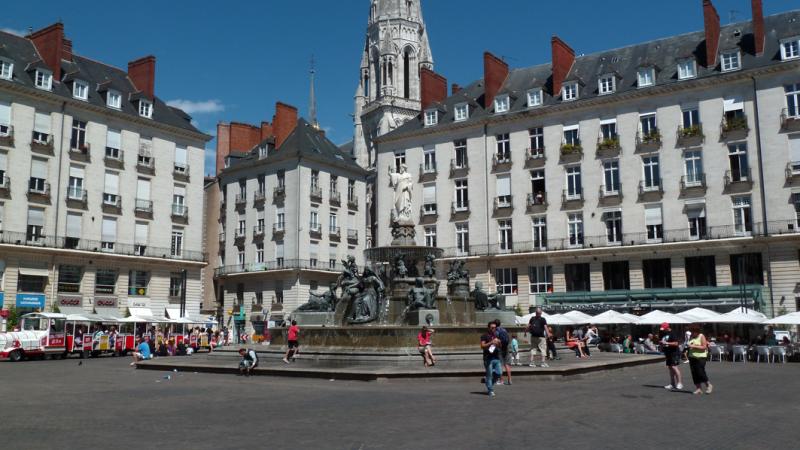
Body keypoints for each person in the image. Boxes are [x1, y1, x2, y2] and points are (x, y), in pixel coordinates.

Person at [687, 325, 713, 395]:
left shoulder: (701, 336)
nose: (692, 333)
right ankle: (698, 389)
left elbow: (704, 347)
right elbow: (690, 344)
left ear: (697, 331)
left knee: (700, 371)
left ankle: (708, 385)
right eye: (691, 331)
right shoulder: (691, 336)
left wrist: (693, 346)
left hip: (701, 357)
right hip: (692, 356)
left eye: (693, 331)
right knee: (694, 373)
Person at [480, 321, 503, 397]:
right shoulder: (484, 336)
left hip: (496, 357)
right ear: (488, 328)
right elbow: (482, 346)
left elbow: (500, 346)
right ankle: (490, 390)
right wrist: (491, 342)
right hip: (488, 358)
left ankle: (488, 383)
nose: (494, 329)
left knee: (499, 373)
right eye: (492, 327)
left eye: (495, 328)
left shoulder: (496, 335)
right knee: (489, 375)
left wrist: (499, 343)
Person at [659, 322, 683, 391]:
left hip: (674, 352)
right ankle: (672, 384)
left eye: (664, 329)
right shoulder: (664, 333)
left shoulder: (673, 333)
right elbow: (663, 341)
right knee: (670, 368)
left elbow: (676, 343)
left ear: (667, 327)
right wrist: (661, 344)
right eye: (662, 329)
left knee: (674, 367)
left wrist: (666, 343)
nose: (663, 330)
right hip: (668, 352)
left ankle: (680, 383)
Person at [494, 320, 512, 385]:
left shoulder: (496, 331)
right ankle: (510, 380)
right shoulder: (504, 330)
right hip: (506, 348)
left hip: (500, 349)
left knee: (500, 365)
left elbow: (496, 340)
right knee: (507, 365)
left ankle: (501, 380)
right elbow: (508, 339)